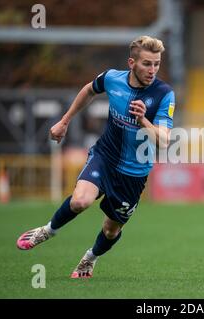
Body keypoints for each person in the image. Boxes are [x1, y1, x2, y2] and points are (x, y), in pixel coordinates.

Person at [16, 36, 175, 278]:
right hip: (105, 155)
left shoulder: (164, 94)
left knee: (111, 230)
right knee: (80, 201)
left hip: (134, 173)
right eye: (146, 64)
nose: (152, 70)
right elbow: (89, 90)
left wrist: (144, 120)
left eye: (156, 64)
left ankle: (90, 258)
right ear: (132, 63)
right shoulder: (112, 78)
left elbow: (164, 141)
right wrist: (64, 121)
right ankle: (48, 230)